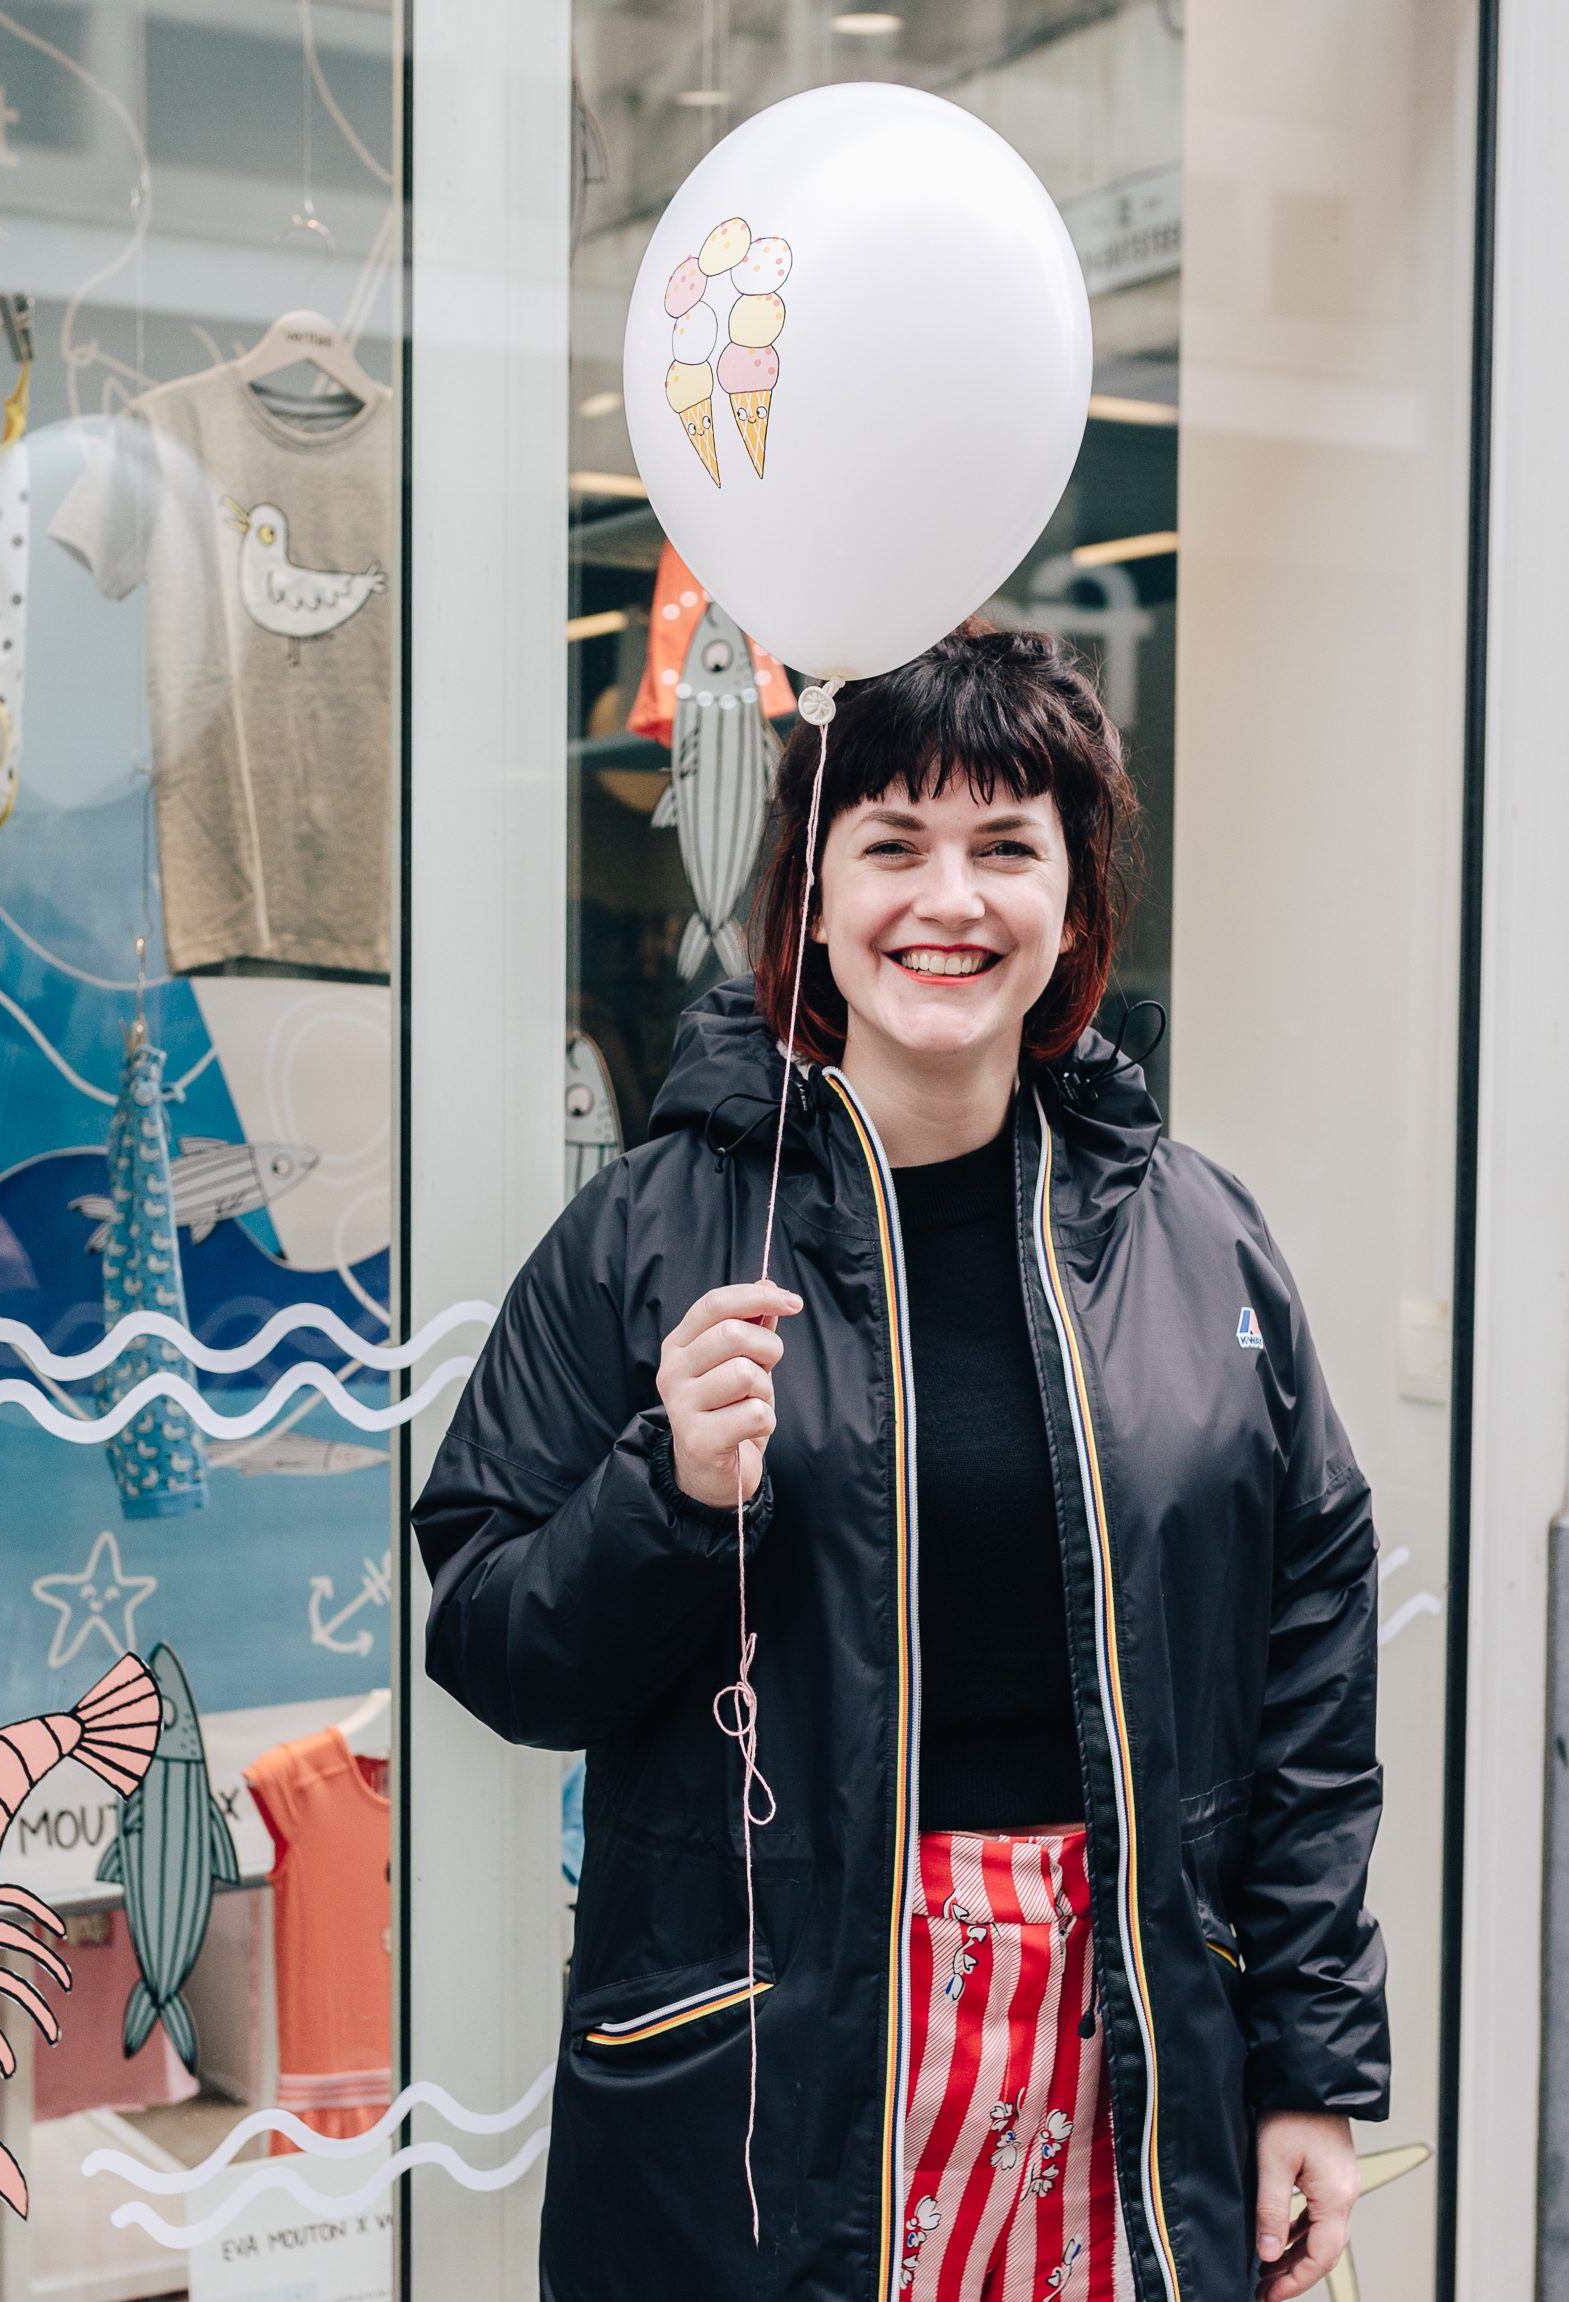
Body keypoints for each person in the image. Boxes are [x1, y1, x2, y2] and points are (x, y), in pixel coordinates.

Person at [413, 623, 1387, 2302]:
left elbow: (1308, 1688)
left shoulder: (1199, 1244)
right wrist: (668, 1497)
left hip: (1126, 2042)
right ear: (808, 892)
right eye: (890, 844)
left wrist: (1306, 2065)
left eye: (1006, 846)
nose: (949, 899)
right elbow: (489, 1637)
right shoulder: (650, 1233)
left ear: (1072, 901)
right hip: (778, 2048)